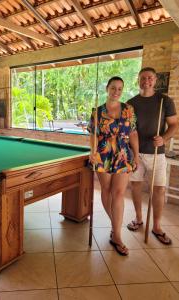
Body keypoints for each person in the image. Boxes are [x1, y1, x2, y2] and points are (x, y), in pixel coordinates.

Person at [88, 76, 139, 256]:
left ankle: (116, 235)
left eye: (119, 89)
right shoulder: (97, 111)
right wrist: (93, 152)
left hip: (123, 154)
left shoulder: (128, 109)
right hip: (103, 153)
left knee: (118, 193)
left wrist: (137, 155)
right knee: (106, 189)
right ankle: (114, 223)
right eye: (113, 88)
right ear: (107, 88)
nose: (116, 92)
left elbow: (133, 133)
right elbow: (93, 134)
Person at [127, 67, 178, 244]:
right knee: (135, 186)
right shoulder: (131, 103)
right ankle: (139, 218)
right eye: (143, 78)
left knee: (159, 189)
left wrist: (163, 138)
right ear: (138, 80)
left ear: (155, 80)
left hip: (157, 153)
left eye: (149, 78)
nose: (146, 81)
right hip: (136, 153)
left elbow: (173, 125)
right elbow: (129, 129)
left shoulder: (165, 101)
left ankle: (156, 226)